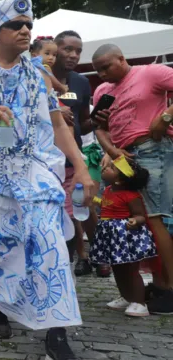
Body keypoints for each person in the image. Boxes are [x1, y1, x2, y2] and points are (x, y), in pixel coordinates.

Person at [0, 0, 94, 359]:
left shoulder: (39, 73)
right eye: (17, 25)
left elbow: (57, 123)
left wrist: (81, 166)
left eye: (28, 24)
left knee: (50, 250)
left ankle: (56, 330)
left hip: (34, 173)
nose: (26, 30)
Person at [92, 43, 173, 315]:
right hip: (123, 158)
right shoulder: (102, 91)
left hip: (152, 147)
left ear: (121, 59)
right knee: (129, 217)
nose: (102, 73)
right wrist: (112, 150)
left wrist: (165, 116)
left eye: (106, 66)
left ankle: (168, 288)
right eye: (98, 70)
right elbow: (99, 129)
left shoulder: (150, 73)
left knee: (154, 216)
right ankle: (148, 286)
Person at [51, 30, 102, 277]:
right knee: (66, 210)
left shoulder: (81, 82)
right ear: (55, 48)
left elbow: (84, 122)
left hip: (75, 156)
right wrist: (54, 113)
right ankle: (77, 257)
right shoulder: (38, 77)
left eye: (78, 51)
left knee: (85, 206)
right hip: (47, 157)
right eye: (68, 49)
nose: (73, 55)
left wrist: (99, 119)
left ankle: (99, 254)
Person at [89, 156, 157, 317]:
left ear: (120, 179)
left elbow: (140, 215)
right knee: (118, 269)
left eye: (111, 168)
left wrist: (135, 220)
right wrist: (93, 200)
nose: (105, 168)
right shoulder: (108, 190)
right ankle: (126, 297)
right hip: (111, 236)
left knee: (131, 270)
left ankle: (139, 302)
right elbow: (107, 204)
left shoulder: (131, 196)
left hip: (125, 237)